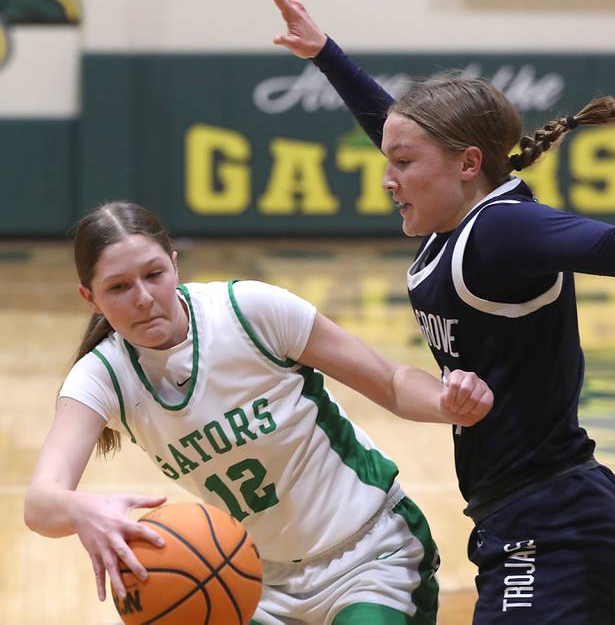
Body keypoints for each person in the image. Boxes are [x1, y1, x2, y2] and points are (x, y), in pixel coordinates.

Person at [253, 0, 615, 623]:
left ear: (468, 163)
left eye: (403, 165)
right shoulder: (462, 218)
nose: (388, 179)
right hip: (563, 510)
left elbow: (602, 244)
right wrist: (327, 53)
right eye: (389, 161)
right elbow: (394, 125)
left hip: (550, 528)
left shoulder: (499, 228)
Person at [24, 201, 495, 625]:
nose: (143, 297)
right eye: (119, 287)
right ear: (90, 298)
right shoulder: (102, 375)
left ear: (174, 263)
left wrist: (447, 402)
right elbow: (41, 503)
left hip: (370, 552)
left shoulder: (248, 311)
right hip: (255, 581)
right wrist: (83, 511)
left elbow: (389, 382)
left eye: (153, 275)